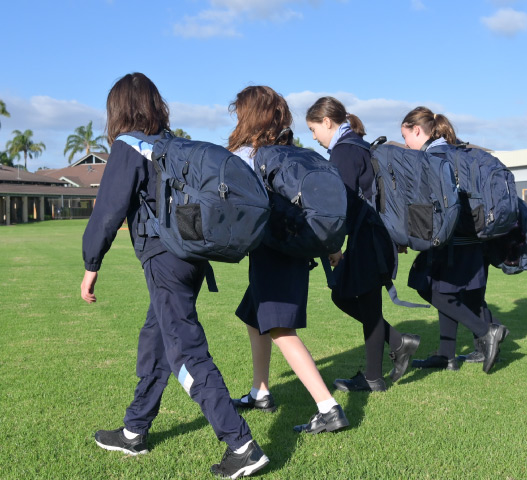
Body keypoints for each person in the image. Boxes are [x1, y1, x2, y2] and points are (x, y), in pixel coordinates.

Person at [81, 73, 269, 479]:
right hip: (190, 258)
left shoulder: (128, 146)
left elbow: (108, 211)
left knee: (185, 351)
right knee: (156, 339)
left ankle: (242, 445)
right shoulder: (169, 144)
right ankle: (135, 430)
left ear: (118, 109)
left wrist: (90, 265)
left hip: (164, 260)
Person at [227, 86, 349, 435]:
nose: (236, 117)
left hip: (273, 251)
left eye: (240, 112)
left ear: (250, 115)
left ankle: (328, 407)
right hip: (295, 248)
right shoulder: (293, 151)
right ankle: (260, 391)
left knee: (280, 328)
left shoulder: (251, 155)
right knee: (254, 316)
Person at [305, 97, 421, 392]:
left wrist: (333, 244)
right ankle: (397, 343)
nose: (314, 137)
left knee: (362, 303)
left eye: (313, 129)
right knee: (348, 297)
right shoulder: (358, 144)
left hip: (368, 238)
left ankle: (374, 377)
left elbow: (338, 205)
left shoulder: (344, 151)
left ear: (327, 122)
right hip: (374, 236)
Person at [400, 106, 508, 374]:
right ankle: (446, 355)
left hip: (451, 240)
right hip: (475, 238)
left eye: (406, 137)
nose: (405, 144)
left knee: (428, 286)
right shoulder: (459, 152)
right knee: (451, 292)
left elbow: (428, 205)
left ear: (417, 130)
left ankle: (486, 332)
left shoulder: (432, 157)